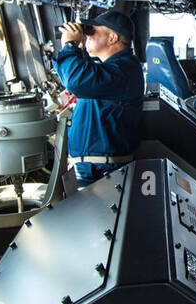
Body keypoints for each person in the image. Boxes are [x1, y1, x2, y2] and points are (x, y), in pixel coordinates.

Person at [54, 10, 144, 190]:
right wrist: (78, 49)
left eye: (92, 32)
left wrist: (70, 45)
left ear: (112, 38)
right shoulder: (118, 68)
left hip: (102, 172)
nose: (88, 36)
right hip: (96, 169)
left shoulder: (123, 71)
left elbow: (76, 80)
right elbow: (85, 75)